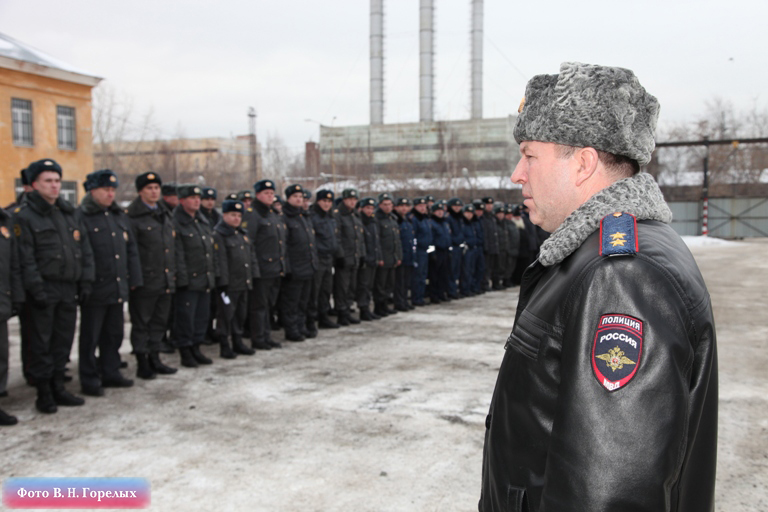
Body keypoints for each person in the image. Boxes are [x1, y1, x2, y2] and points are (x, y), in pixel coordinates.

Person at [479, 62, 718, 512]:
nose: (517, 174)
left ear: (584, 163)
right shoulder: (606, 251)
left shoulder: (622, 275)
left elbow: (611, 488)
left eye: (530, 155)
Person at [14, 159, 94, 413]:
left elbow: (83, 249)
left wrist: (85, 281)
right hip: (43, 290)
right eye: (48, 181)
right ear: (34, 185)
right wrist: (35, 289)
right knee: (41, 344)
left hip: (67, 288)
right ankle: (44, 392)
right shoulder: (25, 217)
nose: (54, 186)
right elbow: (25, 258)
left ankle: (59, 386)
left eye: (57, 181)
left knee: (62, 341)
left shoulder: (68, 213)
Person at [76, 170, 142, 396]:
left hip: (117, 285)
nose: (110, 194)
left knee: (114, 334)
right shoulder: (81, 216)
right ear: (92, 190)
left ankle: (111, 371)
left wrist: (134, 278)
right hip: (95, 287)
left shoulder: (118, 216)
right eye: (105, 190)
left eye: (113, 190)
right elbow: (81, 254)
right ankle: (89, 378)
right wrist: (84, 282)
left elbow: (130, 249)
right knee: (90, 336)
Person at [126, 172, 178, 379]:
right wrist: (135, 280)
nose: (154, 191)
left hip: (165, 279)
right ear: (140, 191)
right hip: (145, 281)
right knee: (142, 324)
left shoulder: (165, 214)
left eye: (157, 187)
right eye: (149, 188)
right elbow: (132, 252)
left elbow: (170, 248)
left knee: (159, 323)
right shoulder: (132, 216)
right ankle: (142, 362)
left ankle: (155, 358)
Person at [172, 184, 216, 368]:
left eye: (198, 197)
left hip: (204, 279)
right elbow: (177, 254)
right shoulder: (176, 222)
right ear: (182, 201)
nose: (197, 201)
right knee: (185, 319)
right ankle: (186, 351)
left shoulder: (201, 221)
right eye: (192, 198)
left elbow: (209, 251)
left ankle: (196, 348)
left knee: (201, 318)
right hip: (188, 281)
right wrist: (182, 280)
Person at [212, 199, 257, 358]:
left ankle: (238, 342)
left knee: (240, 314)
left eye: (239, 215)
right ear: (224, 215)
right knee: (225, 315)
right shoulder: (219, 235)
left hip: (243, 282)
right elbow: (220, 261)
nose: (237, 218)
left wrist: (253, 276)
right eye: (233, 215)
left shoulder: (242, 235)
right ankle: (224, 345)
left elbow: (250, 257)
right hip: (229, 284)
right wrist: (222, 282)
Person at [246, 179, 287, 350]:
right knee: (259, 306)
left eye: (272, 193)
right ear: (257, 195)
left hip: (275, 268)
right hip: (262, 269)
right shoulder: (252, 214)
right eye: (266, 193)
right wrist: (254, 269)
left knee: (269, 305)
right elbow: (250, 243)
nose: (270, 196)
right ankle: (258, 337)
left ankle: (266, 335)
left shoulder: (272, 214)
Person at [280, 184, 318, 341]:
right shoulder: (284, 218)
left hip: (308, 266)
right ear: (288, 199)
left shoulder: (305, 217)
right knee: (291, 302)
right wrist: (287, 267)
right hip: (294, 268)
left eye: (301, 197)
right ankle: (291, 329)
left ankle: (301, 326)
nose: (298, 199)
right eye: (295, 196)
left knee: (304, 301)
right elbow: (284, 246)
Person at [0, 205, 23, 425]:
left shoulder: (4, 221)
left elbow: (13, 264)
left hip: (1, 302)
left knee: (1, 357)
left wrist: (16, 296)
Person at [308, 189, 341, 329]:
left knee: (326, 290)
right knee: (314, 291)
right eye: (324, 201)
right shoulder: (312, 217)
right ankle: (310, 319)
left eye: (329, 201)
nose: (327, 204)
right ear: (318, 201)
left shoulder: (330, 217)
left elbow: (334, 238)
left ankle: (323, 317)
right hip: (318, 258)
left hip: (329, 258)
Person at [333, 189, 365, 325]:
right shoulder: (338, 215)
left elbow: (360, 238)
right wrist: (340, 256)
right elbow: (337, 238)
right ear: (344, 200)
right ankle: (341, 313)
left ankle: (347, 310)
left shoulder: (355, 215)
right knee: (342, 288)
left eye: (354, 199)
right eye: (349, 199)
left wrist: (362, 254)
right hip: (344, 258)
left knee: (351, 287)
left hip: (355, 257)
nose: (352, 202)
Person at [373, 193, 401, 317]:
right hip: (383, 257)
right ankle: (379, 307)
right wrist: (379, 257)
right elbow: (377, 241)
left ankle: (385, 305)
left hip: (392, 257)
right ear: (379, 205)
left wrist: (398, 256)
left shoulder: (393, 219)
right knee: (380, 285)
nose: (387, 207)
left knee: (389, 284)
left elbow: (397, 240)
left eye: (390, 204)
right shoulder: (377, 219)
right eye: (385, 205)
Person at [357, 197, 382, 321]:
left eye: (372, 208)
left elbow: (377, 242)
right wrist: (363, 257)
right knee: (364, 286)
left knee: (369, 286)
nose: (370, 211)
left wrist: (378, 257)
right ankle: (363, 309)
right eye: (367, 208)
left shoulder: (373, 221)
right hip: (365, 259)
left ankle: (367, 308)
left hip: (373, 258)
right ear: (361, 208)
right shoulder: (360, 221)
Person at [393, 198, 414, 311]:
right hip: (400, 255)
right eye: (401, 206)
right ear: (396, 208)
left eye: (406, 206)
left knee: (406, 281)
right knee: (399, 281)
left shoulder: (407, 220)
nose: (404, 208)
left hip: (409, 254)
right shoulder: (396, 220)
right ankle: (399, 302)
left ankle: (405, 300)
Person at [427, 203, 451, 304]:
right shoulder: (432, 223)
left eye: (442, 210)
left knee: (443, 275)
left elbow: (448, 237)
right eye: (438, 211)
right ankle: (434, 295)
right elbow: (430, 240)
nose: (440, 212)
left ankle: (442, 293)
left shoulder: (444, 223)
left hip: (445, 251)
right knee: (434, 276)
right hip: (437, 251)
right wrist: (432, 253)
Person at [445, 198, 464, 299]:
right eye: (454, 206)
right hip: (452, 246)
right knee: (451, 271)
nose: (457, 208)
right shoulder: (449, 217)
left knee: (457, 271)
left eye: (459, 206)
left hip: (458, 247)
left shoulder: (460, 217)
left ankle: (454, 290)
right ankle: (451, 291)